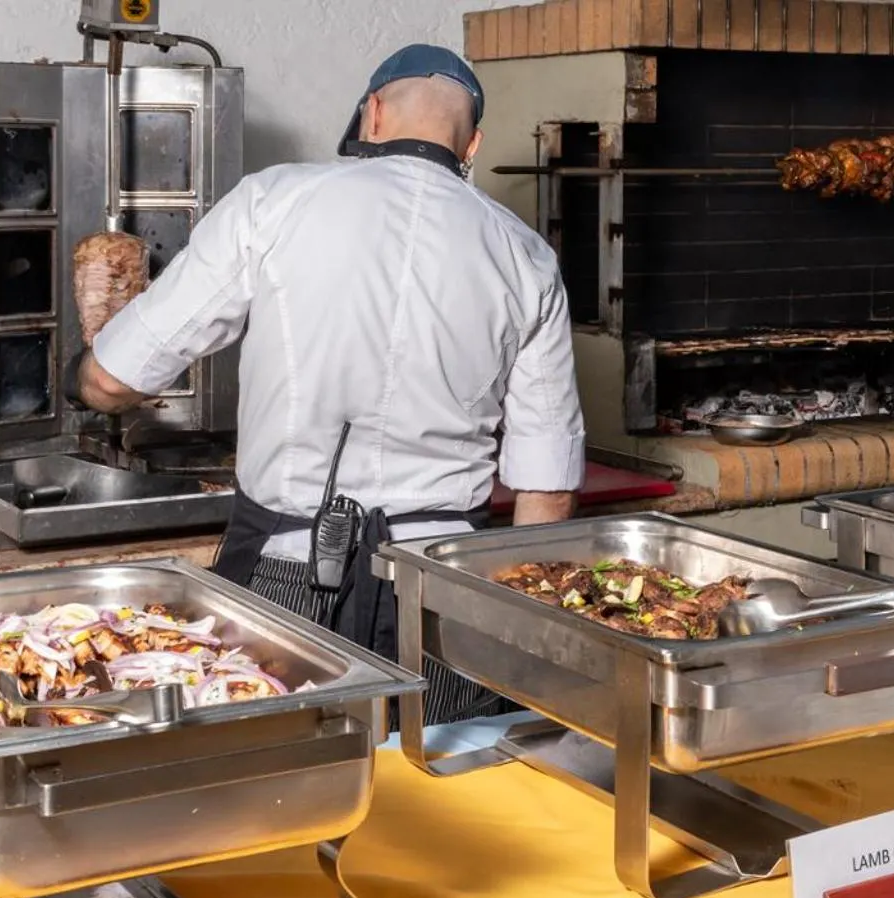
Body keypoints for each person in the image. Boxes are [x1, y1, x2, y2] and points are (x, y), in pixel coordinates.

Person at [71, 44, 584, 724]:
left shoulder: (274, 201)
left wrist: (83, 378)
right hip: (448, 598)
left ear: (372, 113)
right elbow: (548, 488)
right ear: (473, 146)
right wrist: (508, 639)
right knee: (441, 783)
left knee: (278, 775)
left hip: (285, 581)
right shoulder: (528, 257)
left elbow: (115, 379)